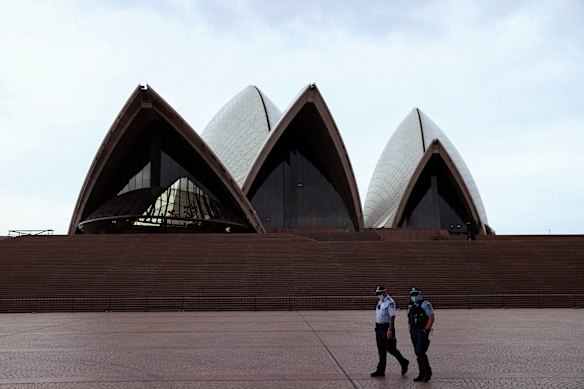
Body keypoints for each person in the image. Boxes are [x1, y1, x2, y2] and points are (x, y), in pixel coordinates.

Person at [371, 285, 409, 377]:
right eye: (377, 294)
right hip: (379, 328)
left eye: (380, 293)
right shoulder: (380, 301)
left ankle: (403, 362)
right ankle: (380, 370)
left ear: (385, 292)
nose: (378, 295)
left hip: (386, 328)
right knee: (381, 349)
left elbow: (392, 316)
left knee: (391, 348)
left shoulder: (390, 302)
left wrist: (390, 330)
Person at [407, 287, 435, 382]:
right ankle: (421, 373)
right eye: (412, 294)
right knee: (417, 353)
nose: (414, 296)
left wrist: (426, 329)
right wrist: (410, 330)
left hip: (421, 330)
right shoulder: (411, 305)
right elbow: (409, 318)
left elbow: (431, 317)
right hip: (414, 331)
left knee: (420, 352)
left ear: (420, 294)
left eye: (415, 294)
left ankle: (427, 373)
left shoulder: (425, 304)